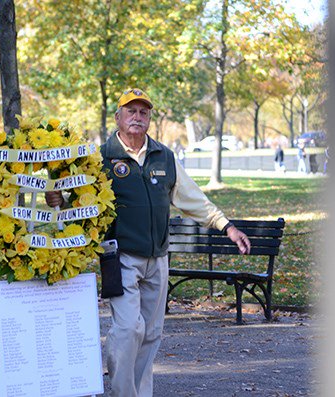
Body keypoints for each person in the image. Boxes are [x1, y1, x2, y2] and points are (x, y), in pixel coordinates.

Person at [46, 88, 251, 396]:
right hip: (121, 256)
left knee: (152, 333)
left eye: (144, 112)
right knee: (129, 329)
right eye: (132, 111)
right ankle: (123, 393)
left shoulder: (163, 156)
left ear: (150, 119)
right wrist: (58, 199)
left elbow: (192, 198)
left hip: (158, 257)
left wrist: (227, 226)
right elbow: (76, 196)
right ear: (118, 117)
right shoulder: (100, 158)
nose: (138, 117)